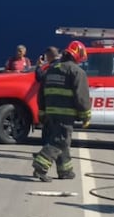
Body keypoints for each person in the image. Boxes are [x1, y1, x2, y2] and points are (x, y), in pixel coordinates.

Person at [32, 40, 90, 182]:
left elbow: (42, 92)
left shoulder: (52, 69)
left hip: (50, 114)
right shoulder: (77, 72)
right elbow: (81, 97)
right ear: (78, 57)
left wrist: (42, 111)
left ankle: (65, 171)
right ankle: (40, 166)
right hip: (66, 115)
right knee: (59, 142)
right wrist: (86, 116)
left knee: (61, 142)